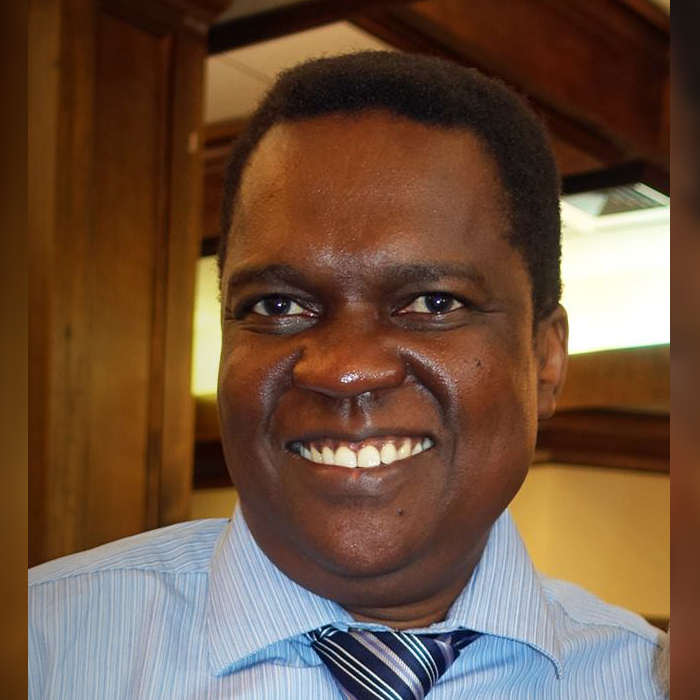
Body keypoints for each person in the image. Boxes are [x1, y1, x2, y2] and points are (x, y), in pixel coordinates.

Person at [29, 51, 667, 699]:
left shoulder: (647, 681)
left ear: (545, 358)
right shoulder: (44, 651)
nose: (344, 370)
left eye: (432, 303)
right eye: (278, 306)